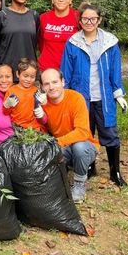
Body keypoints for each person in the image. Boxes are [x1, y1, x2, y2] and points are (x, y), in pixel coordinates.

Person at [60, 2, 128, 186]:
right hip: (81, 98)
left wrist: (119, 94)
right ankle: (90, 167)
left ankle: (115, 172)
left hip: (104, 98)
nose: (89, 22)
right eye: (85, 19)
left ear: (99, 20)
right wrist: (62, 95)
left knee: (110, 133)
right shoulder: (73, 43)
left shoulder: (110, 42)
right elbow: (65, 73)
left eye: (93, 19)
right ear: (80, 20)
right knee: (84, 134)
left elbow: (115, 71)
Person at [38, 68, 99, 203]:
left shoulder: (76, 98)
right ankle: (60, 176)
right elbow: (41, 130)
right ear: (42, 87)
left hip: (85, 145)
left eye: (55, 82)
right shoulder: (43, 104)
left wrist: (57, 142)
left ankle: (79, 184)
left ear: (63, 82)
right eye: (47, 84)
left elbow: (82, 132)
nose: (51, 87)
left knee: (79, 147)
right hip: (63, 149)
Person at [0, 0, 40, 79]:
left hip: (29, 75)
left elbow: (35, 43)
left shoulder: (34, 15)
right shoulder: (1, 16)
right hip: (7, 75)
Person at [38, 0, 79, 72]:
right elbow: (40, 41)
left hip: (71, 68)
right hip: (46, 69)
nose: (61, 0)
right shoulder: (44, 18)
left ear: (70, 0)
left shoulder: (78, 17)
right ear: (52, 0)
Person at [2, 58, 46, 133]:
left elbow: (42, 111)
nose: (28, 79)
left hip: (34, 128)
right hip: (17, 128)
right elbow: (5, 112)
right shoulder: (12, 91)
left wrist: (44, 103)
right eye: (25, 76)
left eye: (32, 77)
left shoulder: (36, 90)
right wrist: (6, 106)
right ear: (18, 74)